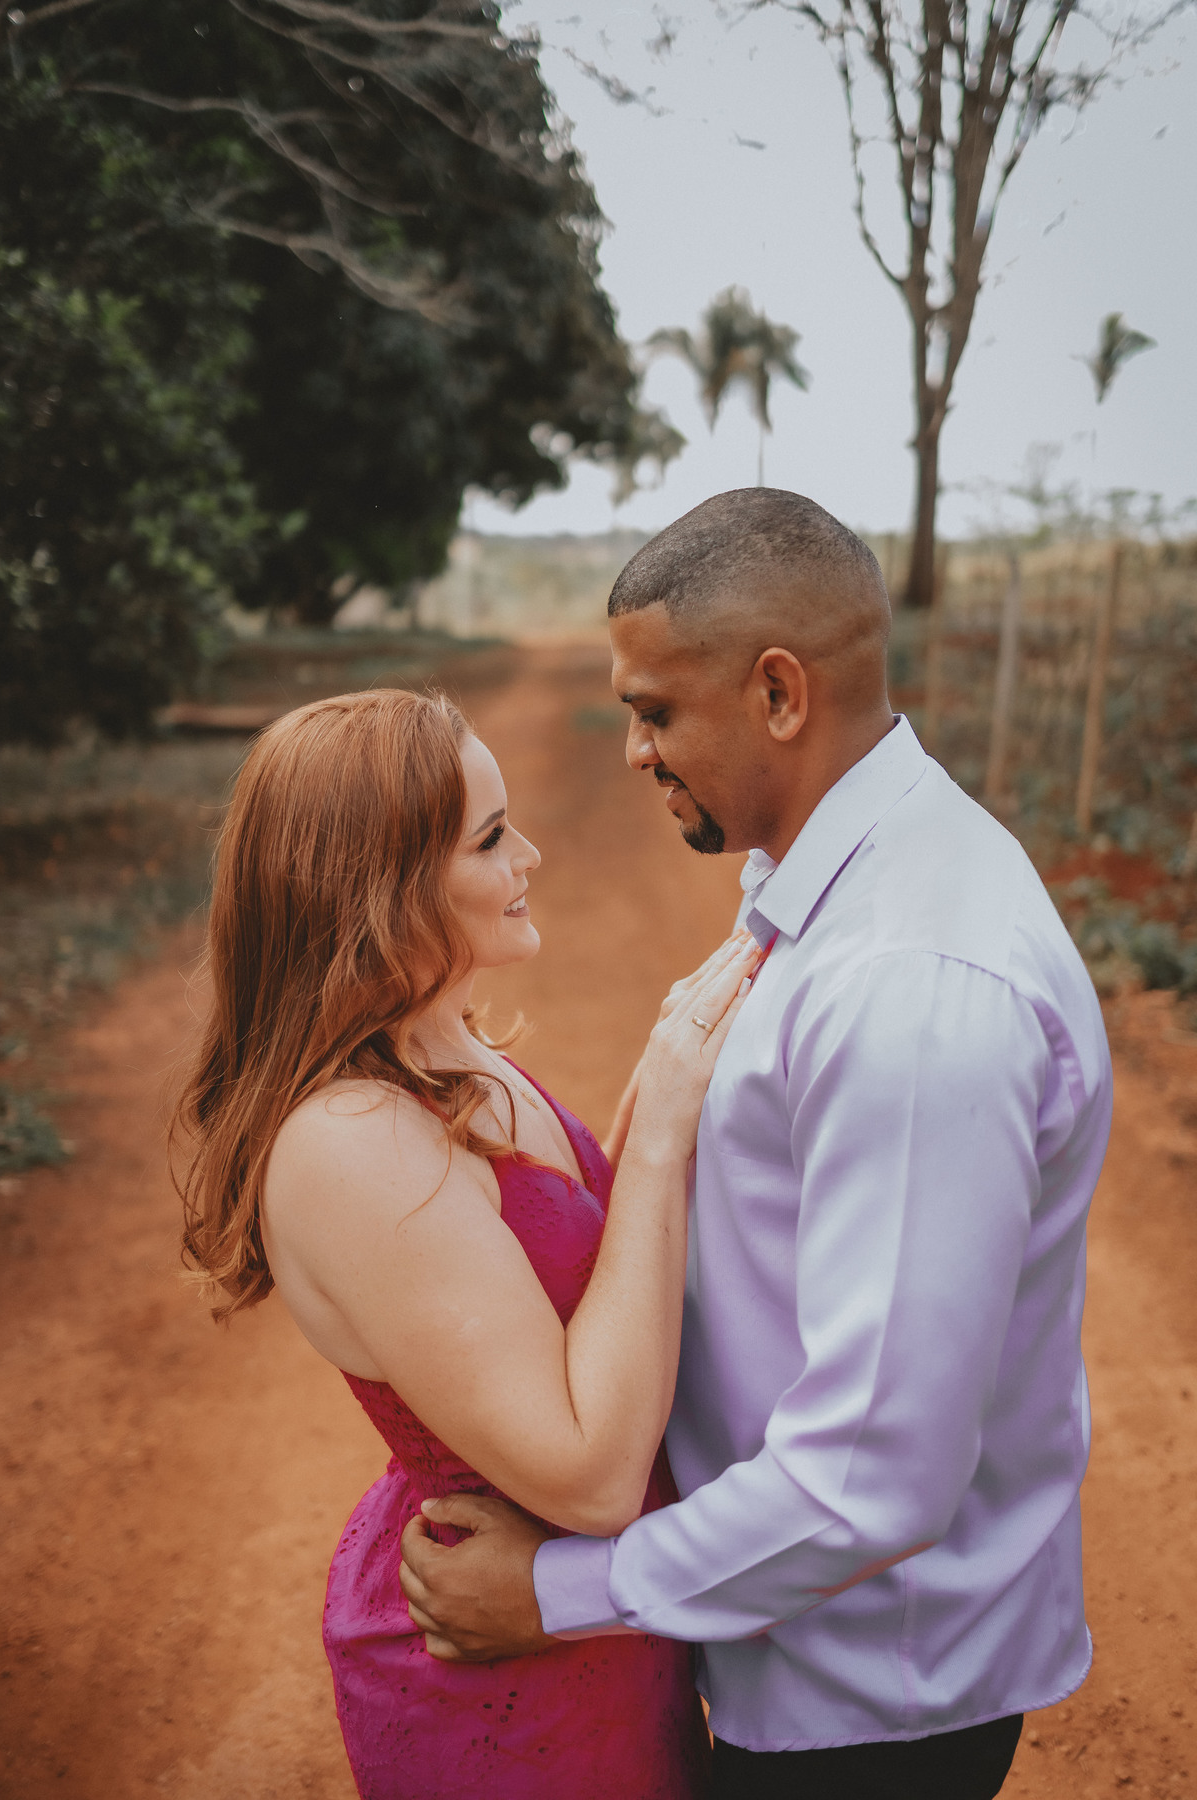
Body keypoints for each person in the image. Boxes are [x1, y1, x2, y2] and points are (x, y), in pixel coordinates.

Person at [399, 489, 1114, 1800]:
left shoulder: (910, 989)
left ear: (779, 694)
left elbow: (870, 1480)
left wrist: (557, 1591)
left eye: (656, 712)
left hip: (871, 1704)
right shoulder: (838, 877)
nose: (633, 752)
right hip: (815, 1645)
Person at [175, 685, 763, 1799]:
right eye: (491, 839)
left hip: (585, 1627)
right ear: (382, 890)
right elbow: (590, 1478)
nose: (529, 854)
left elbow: (582, 1263)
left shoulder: (442, 1041)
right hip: (500, 1684)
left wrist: (670, 1080)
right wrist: (659, 1139)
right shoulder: (351, 1140)